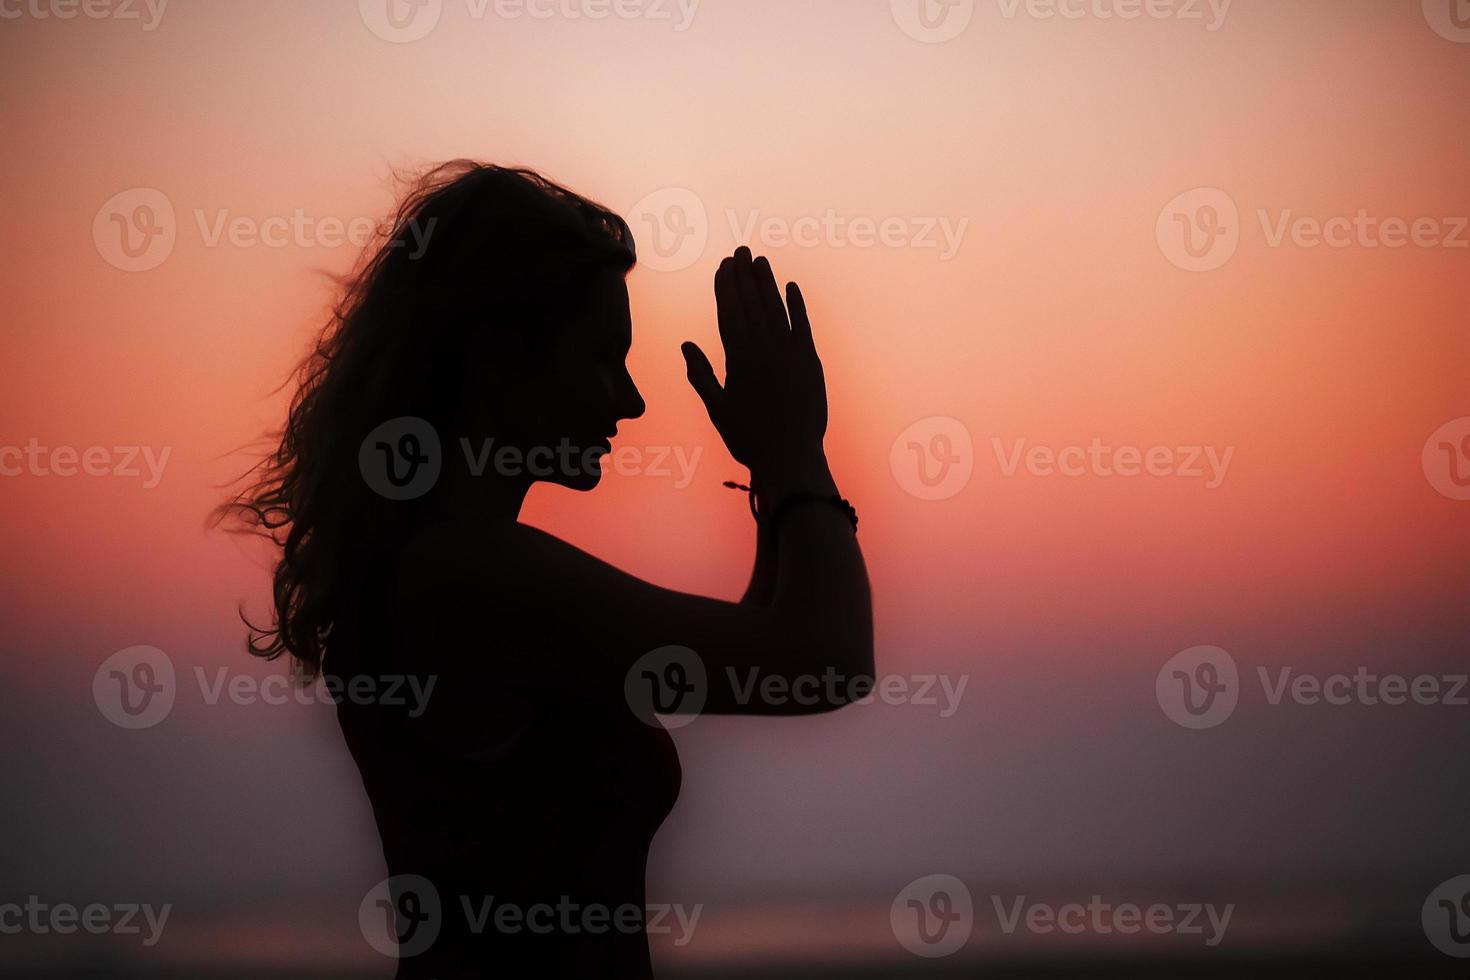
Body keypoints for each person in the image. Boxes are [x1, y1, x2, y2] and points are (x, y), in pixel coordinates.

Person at [218, 161, 873, 978]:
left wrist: (777, 470)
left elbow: (761, 650)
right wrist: (795, 445)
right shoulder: (466, 577)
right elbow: (820, 663)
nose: (630, 400)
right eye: (604, 356)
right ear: (495, 354)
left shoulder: (446, 567)